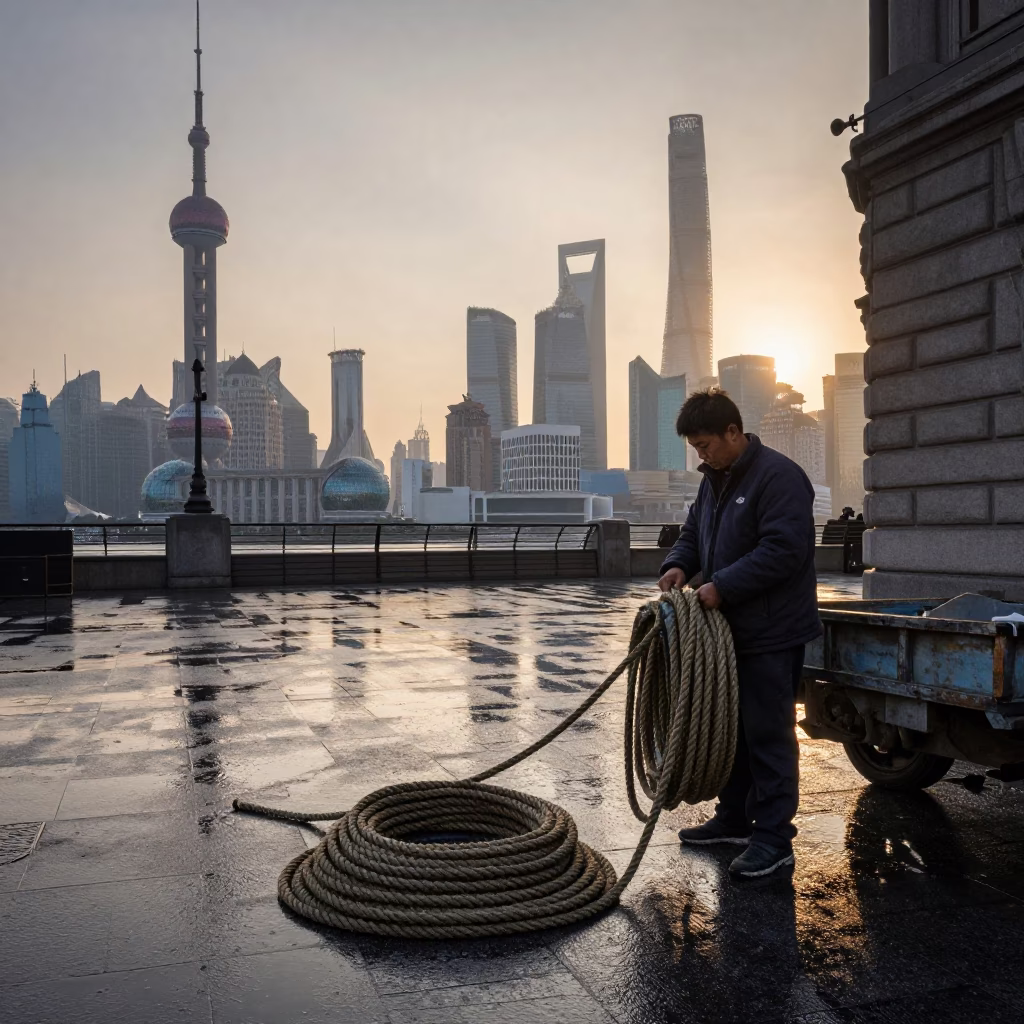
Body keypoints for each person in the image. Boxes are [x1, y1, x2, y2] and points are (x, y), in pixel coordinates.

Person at [659, 388, 820, 879]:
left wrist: (723, 585)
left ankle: (774, 839)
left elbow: (784, 550)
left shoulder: (780, 477)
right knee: (731, 733)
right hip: (729, 633)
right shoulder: (714, 481)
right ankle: (733, 819)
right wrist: (678, 566)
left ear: (734, 432)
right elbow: (693, 534)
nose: (701, 455)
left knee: (769, 735)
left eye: (706, 444)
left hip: (771, 631)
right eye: (696, 448)